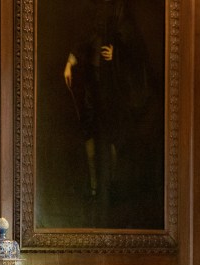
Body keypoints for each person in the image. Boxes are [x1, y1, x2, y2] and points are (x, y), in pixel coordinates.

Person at [62, 0, 151, 212]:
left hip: (113, 87)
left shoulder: (122, 11)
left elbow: (136, 49)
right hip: (93, 84)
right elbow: (87, 37)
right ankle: (94, 187)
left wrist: (117, 54)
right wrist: (69, 62)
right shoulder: (96, 12)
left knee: (114, 134)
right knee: (89, 130)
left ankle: (110, 185)